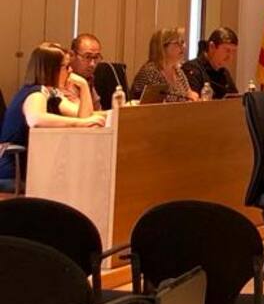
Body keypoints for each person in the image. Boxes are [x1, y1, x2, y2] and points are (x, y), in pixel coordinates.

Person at [0, 43, 106, 187]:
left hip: (34, 170)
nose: (70, 71)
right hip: (14, 174)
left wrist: (83, 86)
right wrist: (80, 123)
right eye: (66, 67)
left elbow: (85, 118)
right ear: (51, 69)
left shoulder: (52, 95)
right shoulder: (36, 93)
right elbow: (36, 119)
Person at [130, 27, 199, 102]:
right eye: (178, 43)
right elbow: (156, 104)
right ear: (162, 47)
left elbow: (189, 94)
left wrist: (192, 97)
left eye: (182, 42)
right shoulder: (150, 72)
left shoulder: (178, 71)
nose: (184, 46)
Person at [182, 27, 239, 98]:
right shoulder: (192, 69)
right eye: (227, 50)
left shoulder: (224, 72)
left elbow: (236, 100)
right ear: (212, 47)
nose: (230, 57)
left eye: (233, 51)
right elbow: (194, 103)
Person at [67, 33, 103, 106]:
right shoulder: (65, 80)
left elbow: (97, 109)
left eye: (96, 57)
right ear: (72, 55)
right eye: (87, 57)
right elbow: (82, 112)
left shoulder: (89, 78)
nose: (92, 64)